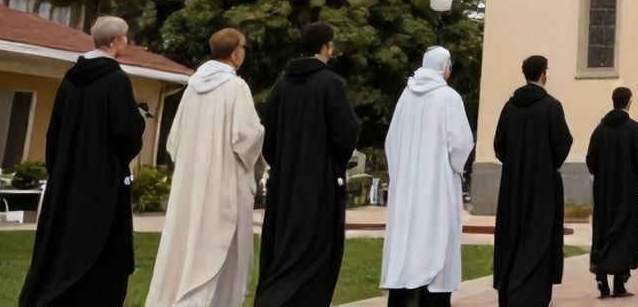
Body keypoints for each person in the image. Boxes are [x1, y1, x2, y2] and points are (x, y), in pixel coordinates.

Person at [18, 16, 145, 307]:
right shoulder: (116, 80)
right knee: (100, 246)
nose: (128, 42)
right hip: (101, 181)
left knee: (63, 240)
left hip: (67, 178)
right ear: (114, 42)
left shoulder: (70, 80)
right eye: (125, 37)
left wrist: (60, 170)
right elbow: (126, 131)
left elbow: (55, 132)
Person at [146, 27, 265, 307]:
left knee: (189, 243)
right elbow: (246, 137)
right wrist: (262, 131)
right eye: (243, 48)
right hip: (225, 182)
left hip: (192, 183)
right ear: (235, 53)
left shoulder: (192, 88)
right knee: (222, 248)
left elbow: (174, 139)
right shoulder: (236, 87)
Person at [256, 21, 361, 307]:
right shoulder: (331, 84)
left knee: (283, 247)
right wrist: (333, 164)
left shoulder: (282, 84)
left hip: (286, 183)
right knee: (316, 249)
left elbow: (269, 134)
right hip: (319, 183)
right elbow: (346, 132)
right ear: (326, 46)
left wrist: (283, 164)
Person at [381, 46, 474, 307]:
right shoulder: (449, 98)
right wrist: (456, 168)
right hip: (437, 184)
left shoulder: (405, 97)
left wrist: (402, 170)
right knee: (436, 236)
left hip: (408, 186)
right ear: (445, 68)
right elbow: (461, 144)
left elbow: (391, 141)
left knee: (408, 240)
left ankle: (405, 291)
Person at [493, 54, 573, 307]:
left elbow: (499, 146)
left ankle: (510, 289)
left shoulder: (509, 107)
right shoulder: (551, 106)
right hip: (542, 185)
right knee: (540, 236)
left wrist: (517, 163)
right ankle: (531, 293)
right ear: (542, 74)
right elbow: (562, 144)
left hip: (513, 185)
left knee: (513, 235)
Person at [585, 86, 638, 298]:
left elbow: (591, 160)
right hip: (627, 190)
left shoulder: (599, 130)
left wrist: (602, 175)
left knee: (603, 231)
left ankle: (602, 280)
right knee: (624, 232)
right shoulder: (634, 128)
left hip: (603, 191)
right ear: (629, 102)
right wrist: (636, 177)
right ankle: (619, 283)